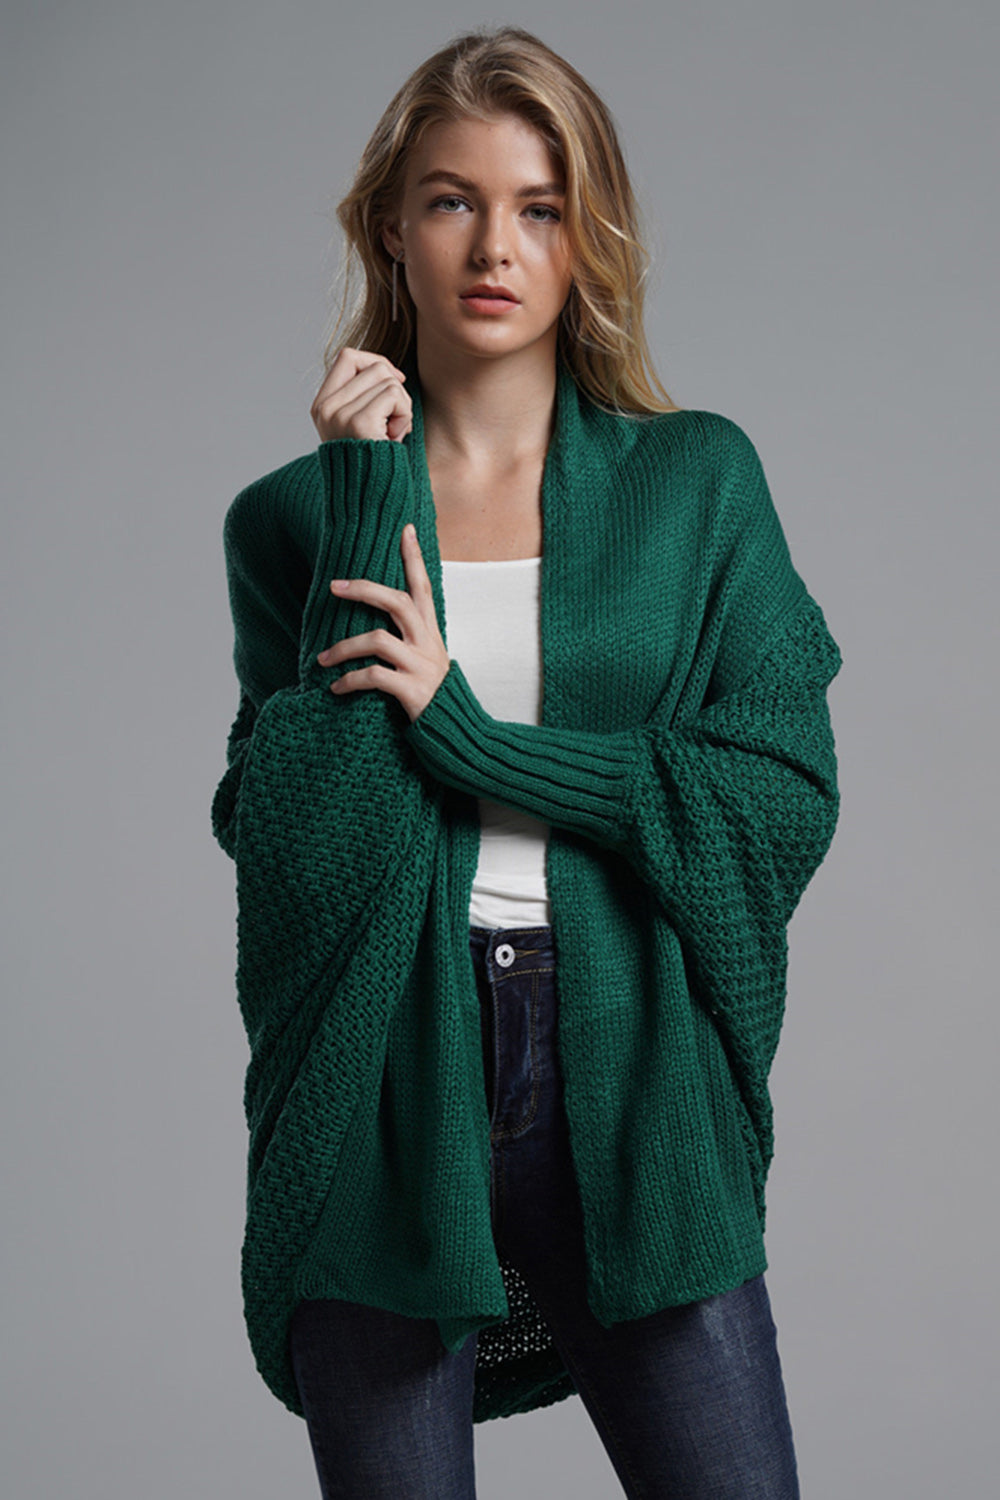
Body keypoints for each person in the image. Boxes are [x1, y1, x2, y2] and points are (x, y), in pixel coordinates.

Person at [211, 24, 841, 1500]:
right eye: (452, 200)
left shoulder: (698, 483)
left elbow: (779, 792)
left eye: (540, 208)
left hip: (632, 1066)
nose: (495, 246)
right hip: (381, 1077)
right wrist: (365, 494)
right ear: (391, 226)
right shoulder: (292, 518)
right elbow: (298, 858)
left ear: (585, 236)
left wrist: (472, 740)